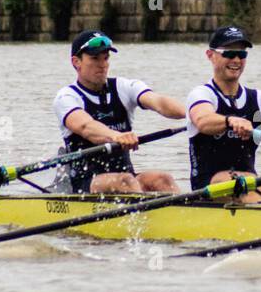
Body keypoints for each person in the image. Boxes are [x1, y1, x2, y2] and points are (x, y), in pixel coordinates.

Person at [54, 30, 185, 194]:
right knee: (126, 181)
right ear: (76, 62)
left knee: (163, 179)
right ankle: (142, 217)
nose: (102, 64)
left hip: (126, 180)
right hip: (86, 184)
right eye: (95, 58)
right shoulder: (66, 97)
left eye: (106, 58)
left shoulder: (123, 87)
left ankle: (187, 217)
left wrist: (191, 114)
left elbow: (158, 102)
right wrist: (115, 136)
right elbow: (85, 126)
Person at [186, 26, 261, 202]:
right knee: (236, 182)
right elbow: (202, 120)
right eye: (229, 53)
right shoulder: (201, 94)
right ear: (210, 55)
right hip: (208, 189)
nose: (236, 59)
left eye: (242, 54)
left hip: (248, 181)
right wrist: (229, 121)